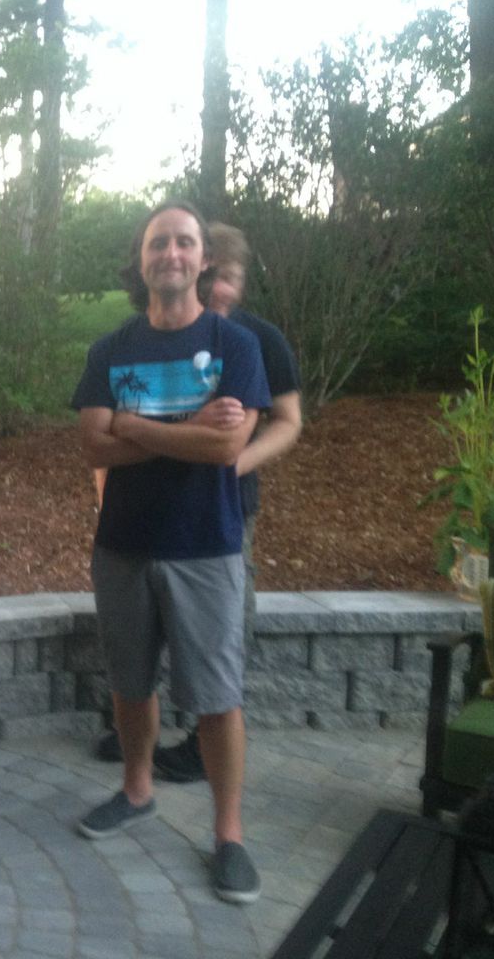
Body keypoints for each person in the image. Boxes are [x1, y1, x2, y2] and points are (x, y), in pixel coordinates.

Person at [71, 201, 271, 905]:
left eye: (185, 242)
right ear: (142, 256)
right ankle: (136, 790)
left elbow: (227, 447)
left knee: (217, 698)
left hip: (205, 547)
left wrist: (134, 423)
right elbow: (92, 445)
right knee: (130, 684)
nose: (171, 254)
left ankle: (229, 834)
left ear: (203, 258)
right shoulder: (111, 349)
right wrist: (189, 425)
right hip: (122, 546)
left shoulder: (234, 343)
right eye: (159, 243)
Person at [94, 223, 303, 784]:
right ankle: (138, 747)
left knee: (217, 643)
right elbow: (101, 433)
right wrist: (117, 473)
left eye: (230, 277)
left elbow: (287, 422)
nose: (220, 291)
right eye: (217, 280)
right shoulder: (135, 340)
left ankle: (198, 747)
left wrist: (230, 461)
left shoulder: (253, 341)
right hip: (138, 518)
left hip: (223, 508)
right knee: (136, 653)